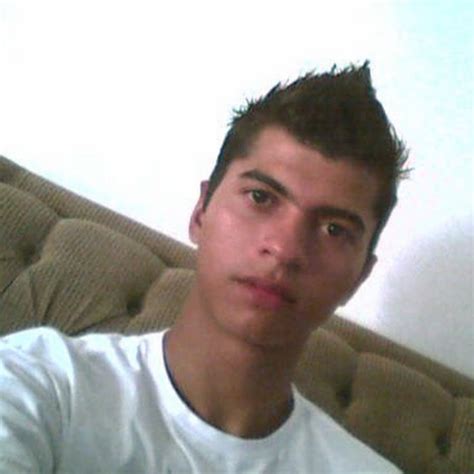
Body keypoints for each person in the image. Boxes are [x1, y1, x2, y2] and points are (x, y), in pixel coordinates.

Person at [0, 62, 407, 472]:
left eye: (335, 229)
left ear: (359, 277)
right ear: (200, 213)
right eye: (261, 197)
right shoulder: (45, 381)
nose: (285, 250)